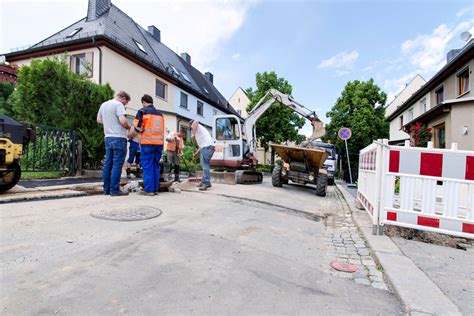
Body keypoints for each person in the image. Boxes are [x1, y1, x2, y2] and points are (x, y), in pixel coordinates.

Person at [97, 91, 131, 196]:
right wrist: (129, 128)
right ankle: (114, 190)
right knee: (117, 165)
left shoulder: (103, 105)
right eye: (126, 102)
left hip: (108, 137)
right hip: (119, 137)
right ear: (122, 97)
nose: (125, 104)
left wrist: (109, 123)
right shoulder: (118, 105)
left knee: (108, 164)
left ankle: (106, 189)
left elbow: (98, 120)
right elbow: (123, 121)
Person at [133, 94, 165, 196]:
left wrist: (139, 138)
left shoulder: (142, 111)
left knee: (147, 166)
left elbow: (138, 127)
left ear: (143, 102)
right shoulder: (160, 114)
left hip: (147, 143)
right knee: (155, 166)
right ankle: (155, 189)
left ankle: (149, 190)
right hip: (159, 144)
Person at [190, 120, 215, 191]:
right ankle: (204, 181)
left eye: (191, 128)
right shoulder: (200, 133)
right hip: (208, 147)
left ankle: (206, 183)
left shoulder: (195, 125)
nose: (191, 130)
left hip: (207, 147)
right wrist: (196, 154)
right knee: (204, 164)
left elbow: (196, 121)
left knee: (205, 165)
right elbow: (201, 147)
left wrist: (193, 134)